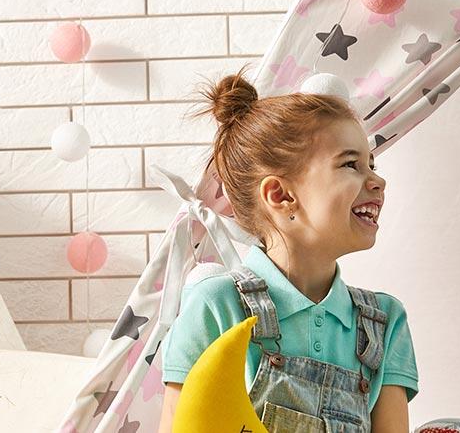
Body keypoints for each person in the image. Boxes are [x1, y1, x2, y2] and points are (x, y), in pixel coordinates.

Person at [157, 74, 416, 432]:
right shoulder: (217, 305)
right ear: (280, 196)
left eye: (373, 164)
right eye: (350, 164)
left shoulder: (385, 323)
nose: (377, 180)